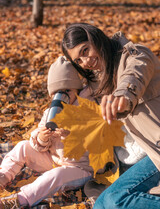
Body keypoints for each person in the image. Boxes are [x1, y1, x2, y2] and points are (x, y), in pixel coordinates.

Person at [61, 23, 160, 208]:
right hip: (139, 157)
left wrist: (122, 96)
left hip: (156, 150)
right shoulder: (99, 81)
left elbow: (133, 77)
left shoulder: (136, 54)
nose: (86, 62)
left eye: (85, 50)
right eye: (79, 61)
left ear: (96, 39)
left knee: (115, 201)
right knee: (102, 204)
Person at [0, 56, 96, 208]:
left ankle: (21, 199)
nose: (62, 95)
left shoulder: (88, 109)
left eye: (67, 90)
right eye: (57, 92)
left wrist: (70, 135)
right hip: (53, 160)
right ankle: (4, 176)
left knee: (56, 176)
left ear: (77, 90)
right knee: (23, 146)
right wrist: (42, 138)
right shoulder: (51, 112)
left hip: (80, 169)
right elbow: (38, 142)